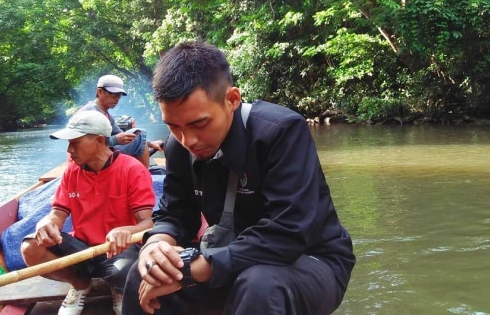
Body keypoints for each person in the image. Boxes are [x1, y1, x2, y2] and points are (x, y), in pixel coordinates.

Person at [122, 41, 355, 314]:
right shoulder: (178, 146)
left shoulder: (280, 131)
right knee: (142, 274)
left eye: (200, 123)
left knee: (259, 285)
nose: (189, 140)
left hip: (310, 259)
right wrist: (156, 244)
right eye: (174, 126)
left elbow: (290, 231)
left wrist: (193, 269)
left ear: (232, 100)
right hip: (230, 255)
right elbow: (175, 213)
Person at [20, 110, 156, 315]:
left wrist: (126, 231)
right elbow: (57, 214)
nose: (69, 150)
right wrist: (45, 223)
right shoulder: (72, 172)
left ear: (100, 141)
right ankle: (80, 284)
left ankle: (118, 289)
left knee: (125, 271)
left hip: (118, 251)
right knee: (31, 247)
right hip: (82, 249)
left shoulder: (133, 170)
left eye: (75, 143)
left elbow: (148, 224)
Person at [79, 74, 164, 168]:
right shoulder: (90, 111)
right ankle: (144, 176)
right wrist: (115, 140)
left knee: (138, 136)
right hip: (88, 160)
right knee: (140, 135)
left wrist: (150, 143)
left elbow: (123, 136)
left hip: (100, 155)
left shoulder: (107, 115)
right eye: (113, 95)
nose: (116, 99)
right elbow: (87, 144)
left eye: (119, 96)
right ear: (100, 92)